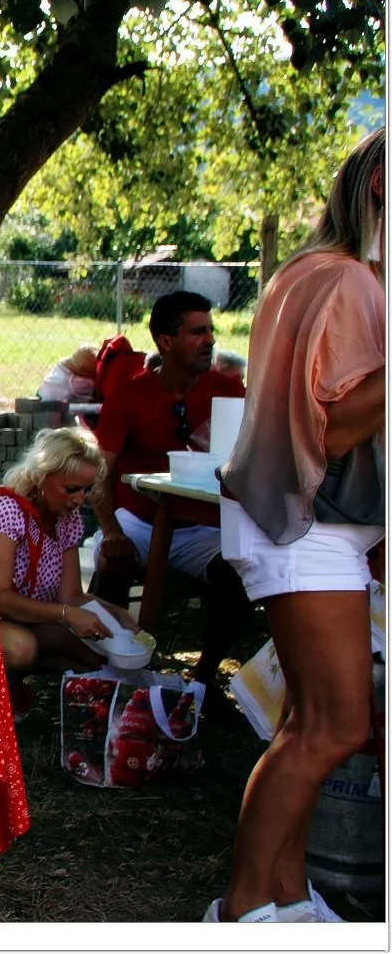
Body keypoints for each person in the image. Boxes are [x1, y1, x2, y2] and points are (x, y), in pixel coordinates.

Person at [205, 128, 385, 924]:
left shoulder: (321, 270)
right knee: (333, 725)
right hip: (305, 523)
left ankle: (283, 896)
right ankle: (244, 908)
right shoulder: (345, 278)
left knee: (307, 726)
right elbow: (338, 425)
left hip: (307, 523)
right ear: (378, 186)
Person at [89, 290, 250, 687]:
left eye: (211, 330)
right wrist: (110, 530)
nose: (210, 340)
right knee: (113, 563)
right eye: (198, 332)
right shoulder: (130, 393)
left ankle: (203, 679)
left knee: (239, 572)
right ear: (166, 342)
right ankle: (106, 670)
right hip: (140, 519)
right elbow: (100, 476)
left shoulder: (229, 390)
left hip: (202, 526)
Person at [0, 427, 138, 712]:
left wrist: (114, 613)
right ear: (41, 476)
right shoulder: (6, 510)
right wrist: (66, 615)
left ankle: (15, 689)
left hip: (24, 617)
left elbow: (70, 595)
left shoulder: (66, 520)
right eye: (71, 489)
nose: (79, 499)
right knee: (22, 648)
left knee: (95, 650)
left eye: (86, 490)